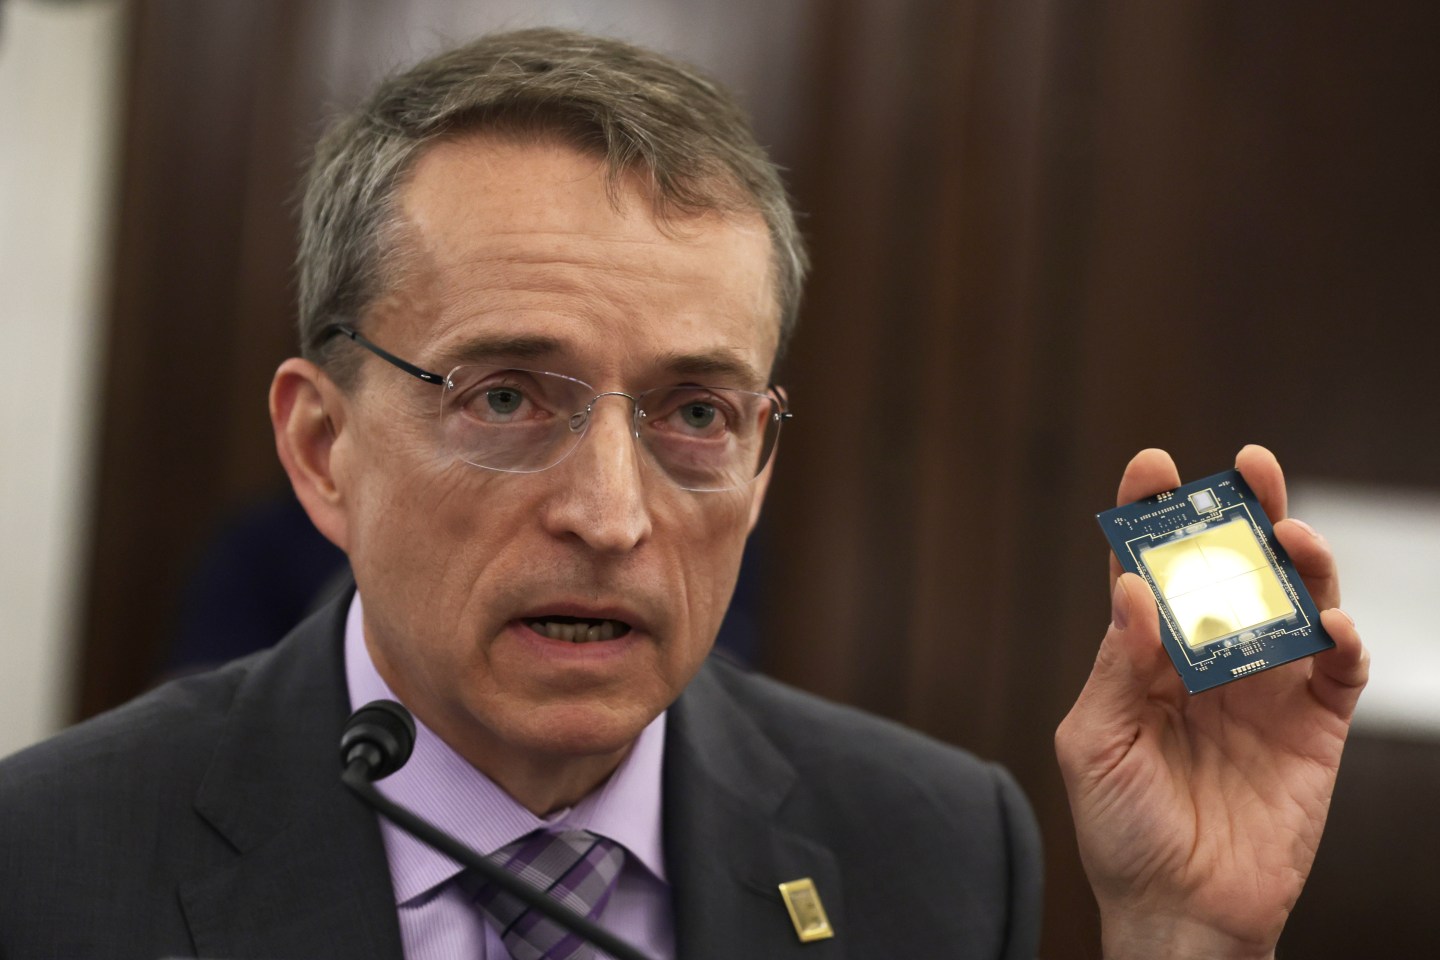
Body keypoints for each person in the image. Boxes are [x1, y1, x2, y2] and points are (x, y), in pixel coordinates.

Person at [0, 27, 1366, 960]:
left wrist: (1184, 940)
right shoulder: (52, 863)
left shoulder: (937, 850)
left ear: (764, 458)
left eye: (697, 414)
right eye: (505, 398)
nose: (611, 513)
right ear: (321, 448)